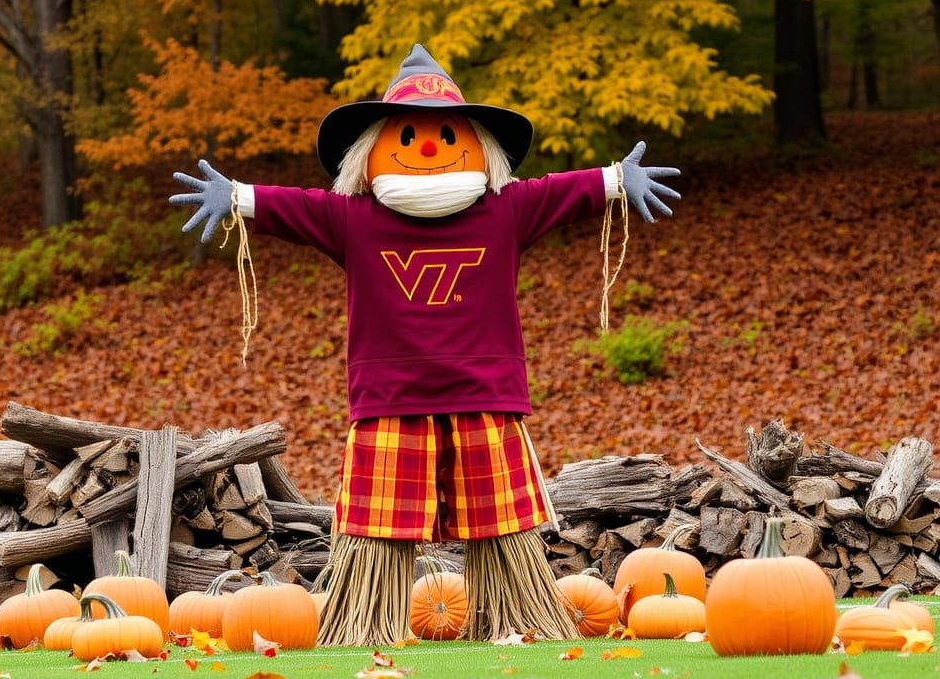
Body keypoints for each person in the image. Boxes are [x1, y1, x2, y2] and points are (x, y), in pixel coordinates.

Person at [171, 45, 681, 645]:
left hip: (485, 394)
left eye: (447, 135)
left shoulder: (507, 209)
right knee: (379, 527)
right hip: (390, 398)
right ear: (370, 152)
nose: (430, 148)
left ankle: (514, 617)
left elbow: (565, 190)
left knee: (499, 522)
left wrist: (617, 180)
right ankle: (369, 623)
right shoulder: (353, 217)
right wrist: (236, 196)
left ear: (480, 147)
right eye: (409, 136)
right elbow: (292, 205)